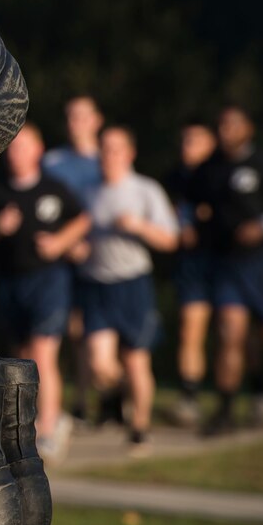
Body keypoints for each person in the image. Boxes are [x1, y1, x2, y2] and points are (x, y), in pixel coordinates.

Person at [0, 123, 91, 464]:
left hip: (49, 280)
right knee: (20, 358)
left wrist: (59, 243)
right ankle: (28, 428)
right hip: (10, 282)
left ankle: (49, 431)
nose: (16, 153)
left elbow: (82, 220)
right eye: (11, 147)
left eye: (24, 146)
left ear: (38, 151)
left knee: (42, 352)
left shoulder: (54, 189)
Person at [78, 126, 179, 455]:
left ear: (130, 153)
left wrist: (138, 226)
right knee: (99, 364)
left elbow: (170, 239)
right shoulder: (88, 191)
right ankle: (122, 394)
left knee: (136, 360)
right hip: (96, 283)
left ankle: (140, 428)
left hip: (133, 283)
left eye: (115, 149)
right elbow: (77, 233)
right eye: (104, 149)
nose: (108, 155)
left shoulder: (144, 190)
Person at [189, 105, 263, 435]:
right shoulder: (210, 168)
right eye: (222, 124)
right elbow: (193, 200)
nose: (226, 130)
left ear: (248, 129)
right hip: (227, 264)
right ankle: (226, 409)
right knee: (230, 332)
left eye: (233, 125)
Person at [42, 95, 105, 423]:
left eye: (82, 116)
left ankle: (110, 396)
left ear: (97, 120)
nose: (75, 122)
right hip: (64, 257)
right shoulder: (52, 162)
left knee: (101, 336)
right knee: (71, 330)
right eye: (70, 116)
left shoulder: (107, 159)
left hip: (104, 261)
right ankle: (81, 401)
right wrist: (67, 243)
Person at [166, 120, 218, 427]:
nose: (187, 147)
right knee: (190, 327)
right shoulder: (175, 179)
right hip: (191, 264)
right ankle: (190, 396)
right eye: (184, 140)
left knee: (237, 332)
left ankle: (256, 390)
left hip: (226, 263)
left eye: (195, 141)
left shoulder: (221, 174)